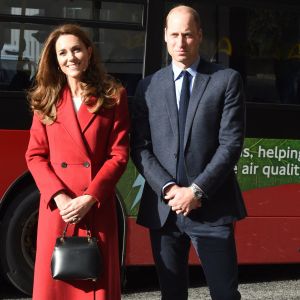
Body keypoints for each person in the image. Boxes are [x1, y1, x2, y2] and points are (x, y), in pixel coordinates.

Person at [130, 5, 247, 300]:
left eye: (188, 35)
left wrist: (196, 191)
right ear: (165, 37)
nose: (180, 43)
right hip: (164, 211)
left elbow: (231, 144)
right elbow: (140, 146)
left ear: (200, 36)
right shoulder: (148, 87)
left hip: (213, 210)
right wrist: (169, 188)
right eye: (174, 35)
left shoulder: (226, 80)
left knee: (224, 294)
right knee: (171, 295)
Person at [25, 24, 129, 300]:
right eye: (62, 53)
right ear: (55, 60)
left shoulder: (113, 96)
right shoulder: (44, 99)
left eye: (76, 49)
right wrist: (59, 197)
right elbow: (35, 155)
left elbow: (118, 155)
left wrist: (90, 197)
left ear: (89, 52)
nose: (70, 57)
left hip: (94, 205)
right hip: (58, 209)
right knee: (55, 288)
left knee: (94, 283)